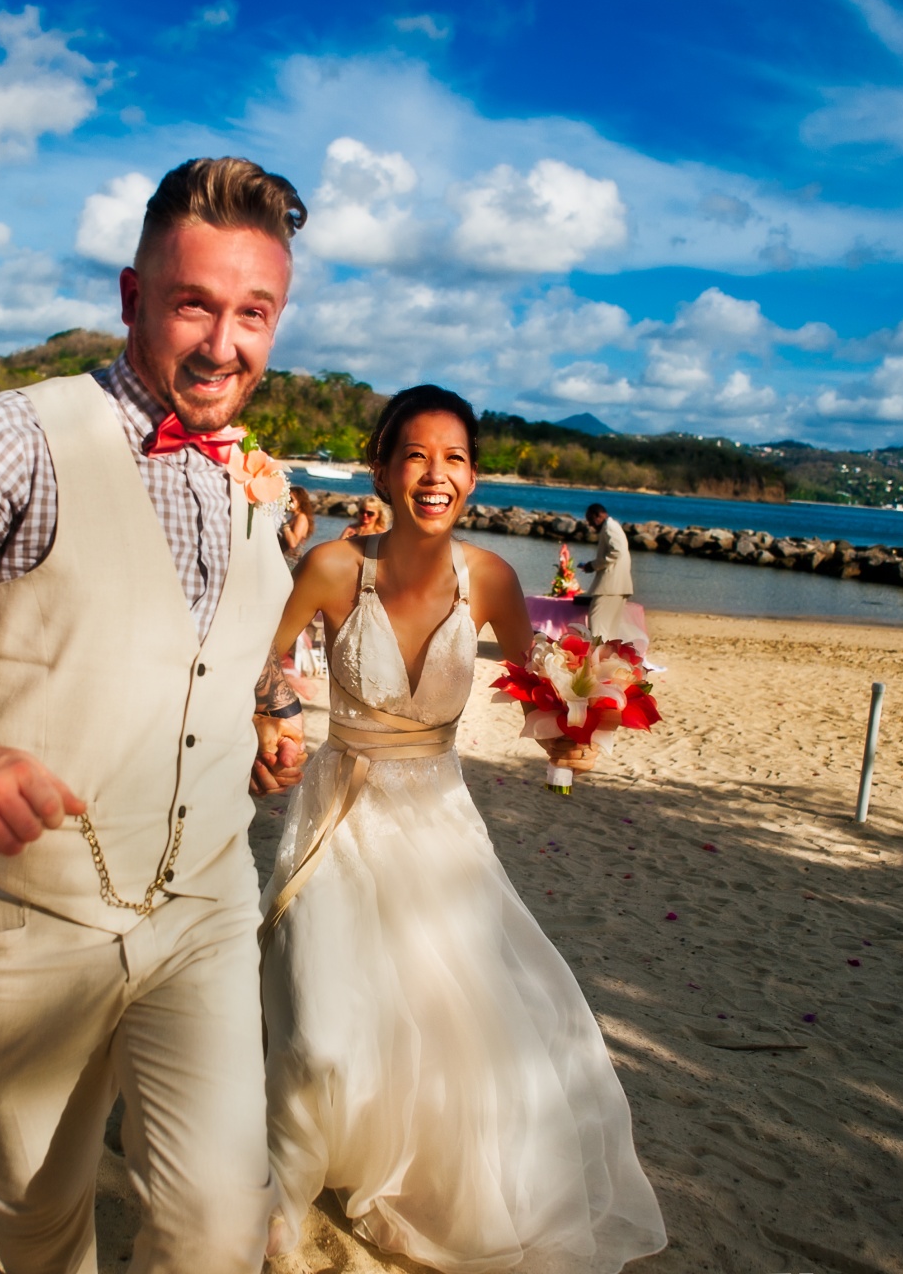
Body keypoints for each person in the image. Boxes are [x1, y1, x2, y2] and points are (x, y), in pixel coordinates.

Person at [0, 157, 310, 1274]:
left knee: (222, 1221)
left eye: (253, 315)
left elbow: (232, 656)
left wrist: (267, 723)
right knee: (40, 1211)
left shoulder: (266, 486)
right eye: (194, 304)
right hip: (33, 919)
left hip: (208, 909)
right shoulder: (10, 437)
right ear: (132, 297)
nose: (223, 344)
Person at [260, 386, 668, 1271]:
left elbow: (541, 693)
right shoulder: (335, 568)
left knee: (434, 1023)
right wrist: (272, 719)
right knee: (320, 1028)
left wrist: (581, 731)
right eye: (416, 456)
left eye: (454, 459)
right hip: (341, 814)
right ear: (381, 467)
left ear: (474, 477)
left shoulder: (488, 580)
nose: (434, 475)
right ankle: (280, 1198)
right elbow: (262, 662)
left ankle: (382, 1165)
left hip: (441, 827)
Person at [579, 502, 633, 640]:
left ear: (599, 516)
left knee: (597, 629)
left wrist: (594, 565)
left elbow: (617, 551)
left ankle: (597, 659)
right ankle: (608, 659)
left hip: (610, 588)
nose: (590, 524)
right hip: (618, 587)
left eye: (590, 520)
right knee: (610, 632)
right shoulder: (612, 526)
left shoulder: (609, 527)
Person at [279, 485, 316, 563]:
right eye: (287, 499)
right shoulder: (294, 518)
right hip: (284, 559)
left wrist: (284, 523)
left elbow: (293, 544)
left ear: (300, 500)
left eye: (291, 499)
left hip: (290, 562)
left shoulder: (301, 517)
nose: (288, 502)